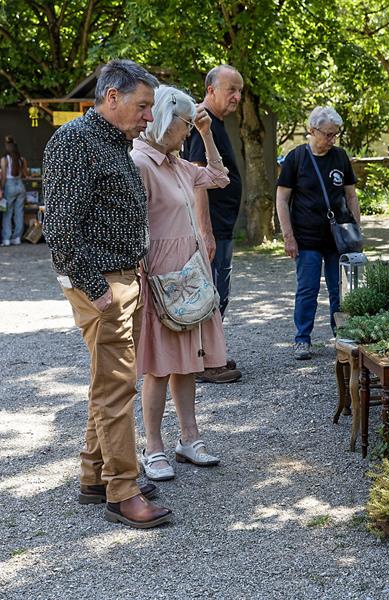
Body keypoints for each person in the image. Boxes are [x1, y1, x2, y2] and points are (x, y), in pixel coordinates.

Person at [42, 59, 172, 528]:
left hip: (123, 277)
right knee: (118, 386)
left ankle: (94, 476)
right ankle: (122, 491)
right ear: (111, 97)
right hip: (101, 282)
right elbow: (59, 230)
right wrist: (97, 289)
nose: (148, 117)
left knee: (109, 381)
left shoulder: (117, 142)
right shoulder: (76, 141)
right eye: (142, 106)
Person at [131, 86, 234, 481]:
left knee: (187, 364)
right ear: (164, 119)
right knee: (157, 367)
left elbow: (219, 176)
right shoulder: (140, 162)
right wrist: (144, 276)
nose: (188, 131)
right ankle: (152, 446)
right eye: (186, 124)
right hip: (160, 276)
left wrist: (207, 134)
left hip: (189, 275)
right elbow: (135, 225)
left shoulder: (175, 163)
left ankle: (188, 437)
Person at [275, 106, 359, 360]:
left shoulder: (340, 157)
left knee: (340, 290)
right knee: (308, 289)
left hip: (337, 239)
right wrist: (288, 237)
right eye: (328, 134)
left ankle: (342, 335)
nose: (332, 139)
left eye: (335, 135)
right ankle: (302, 338)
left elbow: (351, 195)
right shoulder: (296, 158)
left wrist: (356, 230)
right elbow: (282, 199)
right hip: (306, 238)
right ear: (312, 130)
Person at [182, 64, 243, 383]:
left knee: (220, 293)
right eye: (231, 89)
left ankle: (210, 355)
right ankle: (204, 362)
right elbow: (197, 180)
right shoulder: (201, 123)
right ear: (210, 90)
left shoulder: (214, 122)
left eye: (240, 91)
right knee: (212, 295)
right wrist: (205, 232)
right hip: (213, 228)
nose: (237, 96)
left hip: (222, 226)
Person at [1, 135, 29, 246]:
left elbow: (3, 176)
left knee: (7, 213)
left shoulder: (5, 159)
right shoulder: (22, 159)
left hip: (9, 185)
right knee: (19, 213)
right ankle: (17, 238)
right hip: (20, 185)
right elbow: (26, 175)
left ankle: (7, 239)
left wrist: (1, 188)